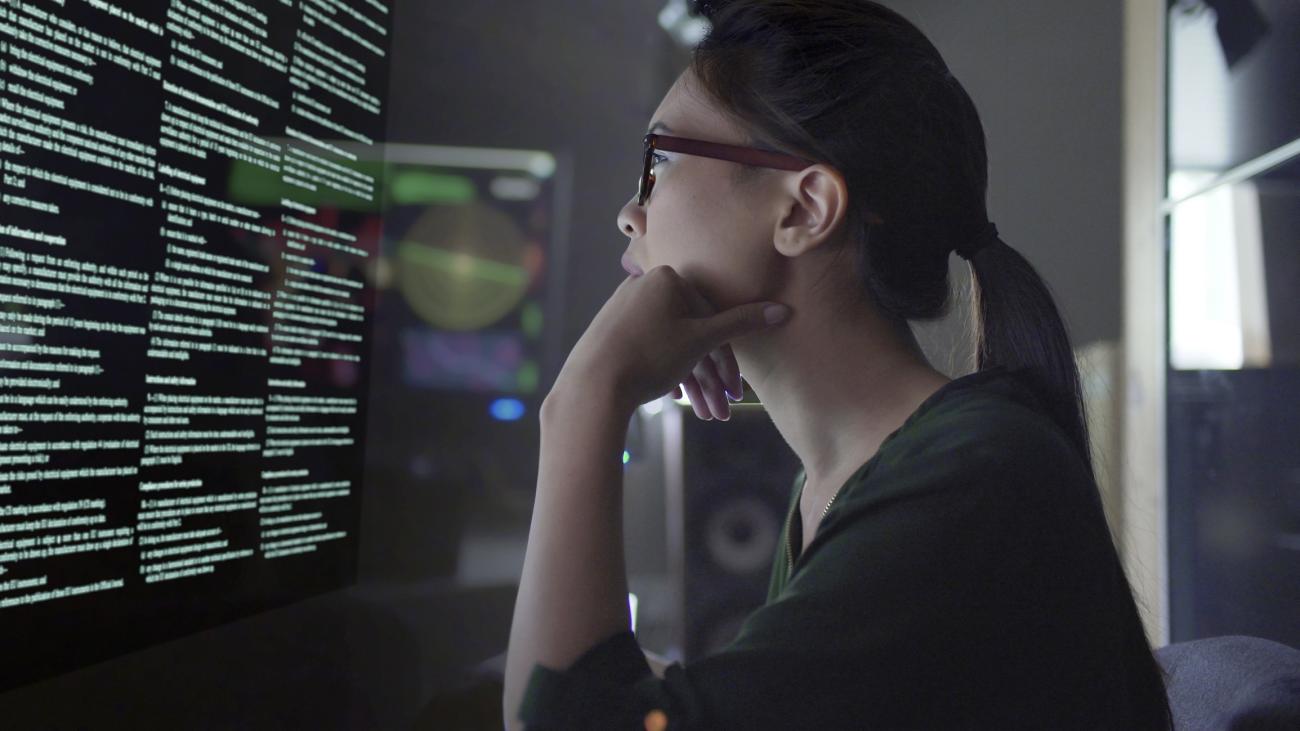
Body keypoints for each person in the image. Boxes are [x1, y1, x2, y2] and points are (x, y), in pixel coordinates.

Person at [502, 0, 1174, 728]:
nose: (630, 212)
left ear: (804, 209)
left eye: (660, 159)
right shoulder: (839, 480)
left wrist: (583, 401)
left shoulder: (973, 473)